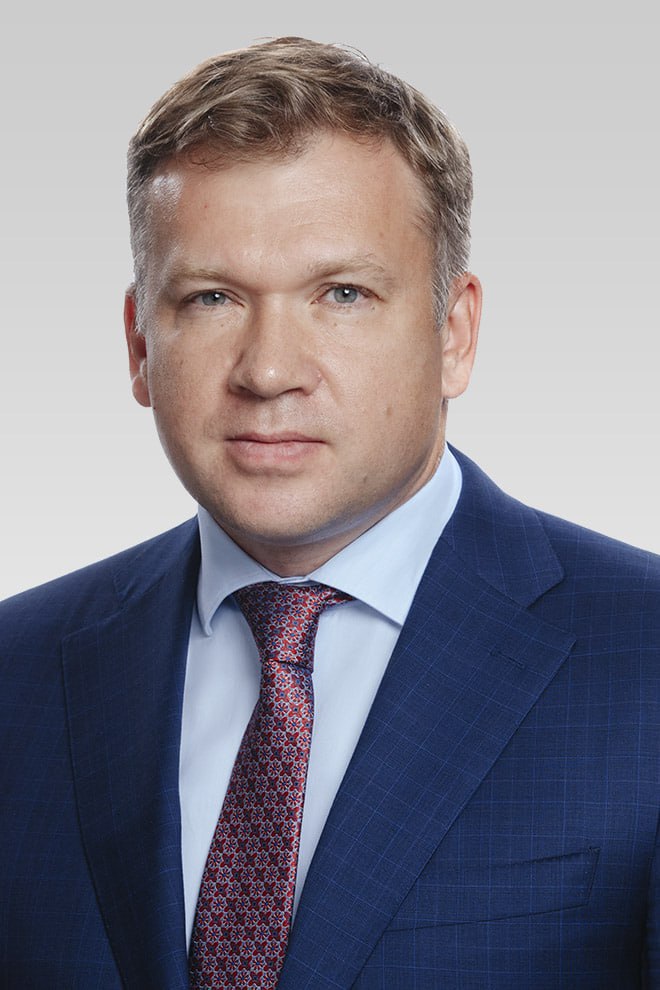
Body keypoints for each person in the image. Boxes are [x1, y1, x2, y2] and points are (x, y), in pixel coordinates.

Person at [1, 36, 657, 990]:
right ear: (140, 345)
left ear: (454, 333)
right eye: (213, 297)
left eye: (342, 294)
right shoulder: (17, 673)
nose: (269, 370)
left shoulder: (643, 658)